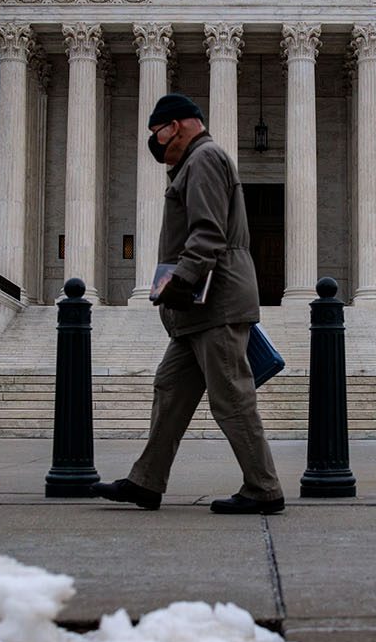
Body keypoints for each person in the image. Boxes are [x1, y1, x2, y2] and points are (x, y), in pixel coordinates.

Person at [92, 93, 285, 514]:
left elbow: (208, 233)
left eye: (155, 132)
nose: (154, 143)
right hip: (195, 310)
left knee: (231, 396)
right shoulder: (194, 163)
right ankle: (146, 481)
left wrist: (180, 281)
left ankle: (263, 487)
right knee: (169, 390)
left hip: (214, 302)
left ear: (174, 125)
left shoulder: (203, 159)